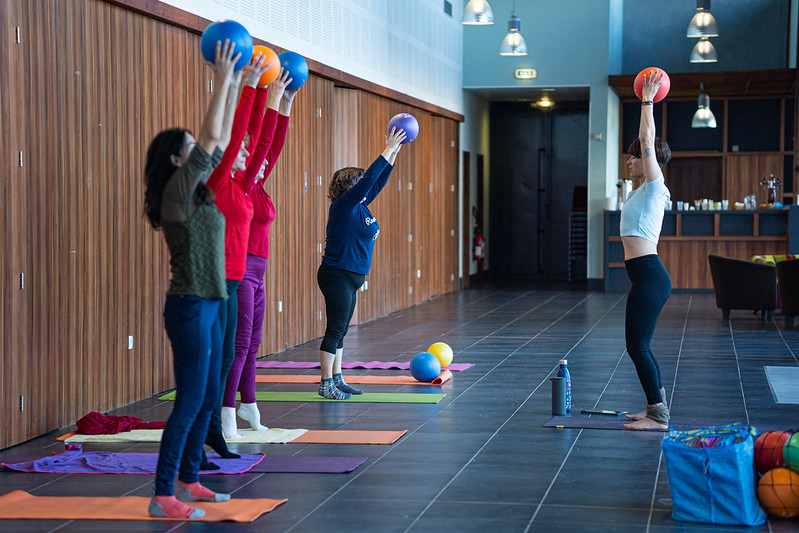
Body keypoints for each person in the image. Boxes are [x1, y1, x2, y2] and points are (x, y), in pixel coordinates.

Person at [143, 40, 239, 518]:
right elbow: (210, 134)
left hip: (213, 303)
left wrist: (239, 82)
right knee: (188, 401)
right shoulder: (177, 191)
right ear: (178, 159)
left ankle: (190, 479)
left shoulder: (197, 191)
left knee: (206, 398)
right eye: (193, 150)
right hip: (189, 306)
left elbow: (220, 139)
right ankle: (163, 496)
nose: (203, 152)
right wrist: (222, 78)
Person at [198, 52, 271, 461]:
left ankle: (214, 428)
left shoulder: (244, 186)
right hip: (212, 283)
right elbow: (233, 135)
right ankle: (212, 424)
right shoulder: (218, 180)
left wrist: (270, 95)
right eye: (236, 152)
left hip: (233, 278)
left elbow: (260, 141)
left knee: (228, 356)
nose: (245, 154)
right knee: (216, 360)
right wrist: (245, 86)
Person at [223, 69, 297, 437]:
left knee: (253, 344)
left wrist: (285, 104)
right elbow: (261, 142)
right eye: (246, 154)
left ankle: (249, 405)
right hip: (239, 275)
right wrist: (263, 96)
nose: (256, 156)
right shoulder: (237, 185)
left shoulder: (258, 187)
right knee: (238, 347)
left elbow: (273, 145)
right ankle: (226, 414)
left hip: (259, 273)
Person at [316, 127, 407, 399]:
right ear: (349, 187)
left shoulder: (361, 206)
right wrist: (386, 149)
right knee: (334, 330)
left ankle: (337, 377)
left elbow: (377, 182)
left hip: (351, 277)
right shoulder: (343, 206)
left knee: (341, 329)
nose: (365, 188)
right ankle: (325, 385)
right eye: (360, 184)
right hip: (337, 276)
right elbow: (369, 179)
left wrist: (394, 155)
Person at [620, 70, 673, 431]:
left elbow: (647, 137)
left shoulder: (656, 185)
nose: (630, 161)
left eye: (634, 157)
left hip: (650, 276)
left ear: (649, 160)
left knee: (638, 345)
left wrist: (647, 101)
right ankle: (653, 407)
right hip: (644, 277)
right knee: (639, 345)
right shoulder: (639, 191)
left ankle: (658, 414)